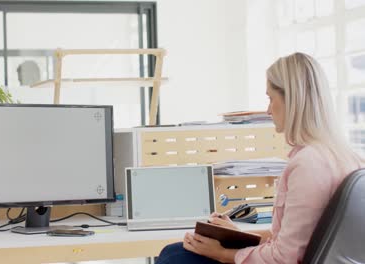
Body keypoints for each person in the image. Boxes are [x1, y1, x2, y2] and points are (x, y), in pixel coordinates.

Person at [155, 52, 363, 264]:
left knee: (175, 258)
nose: (268, 110)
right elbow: (301, 240)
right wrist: (242, 237)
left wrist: (223, 254)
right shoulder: (346, 156)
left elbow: (285, 258)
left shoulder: (309, 164)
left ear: (291, 100)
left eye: (271, 98)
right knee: (175, 252)